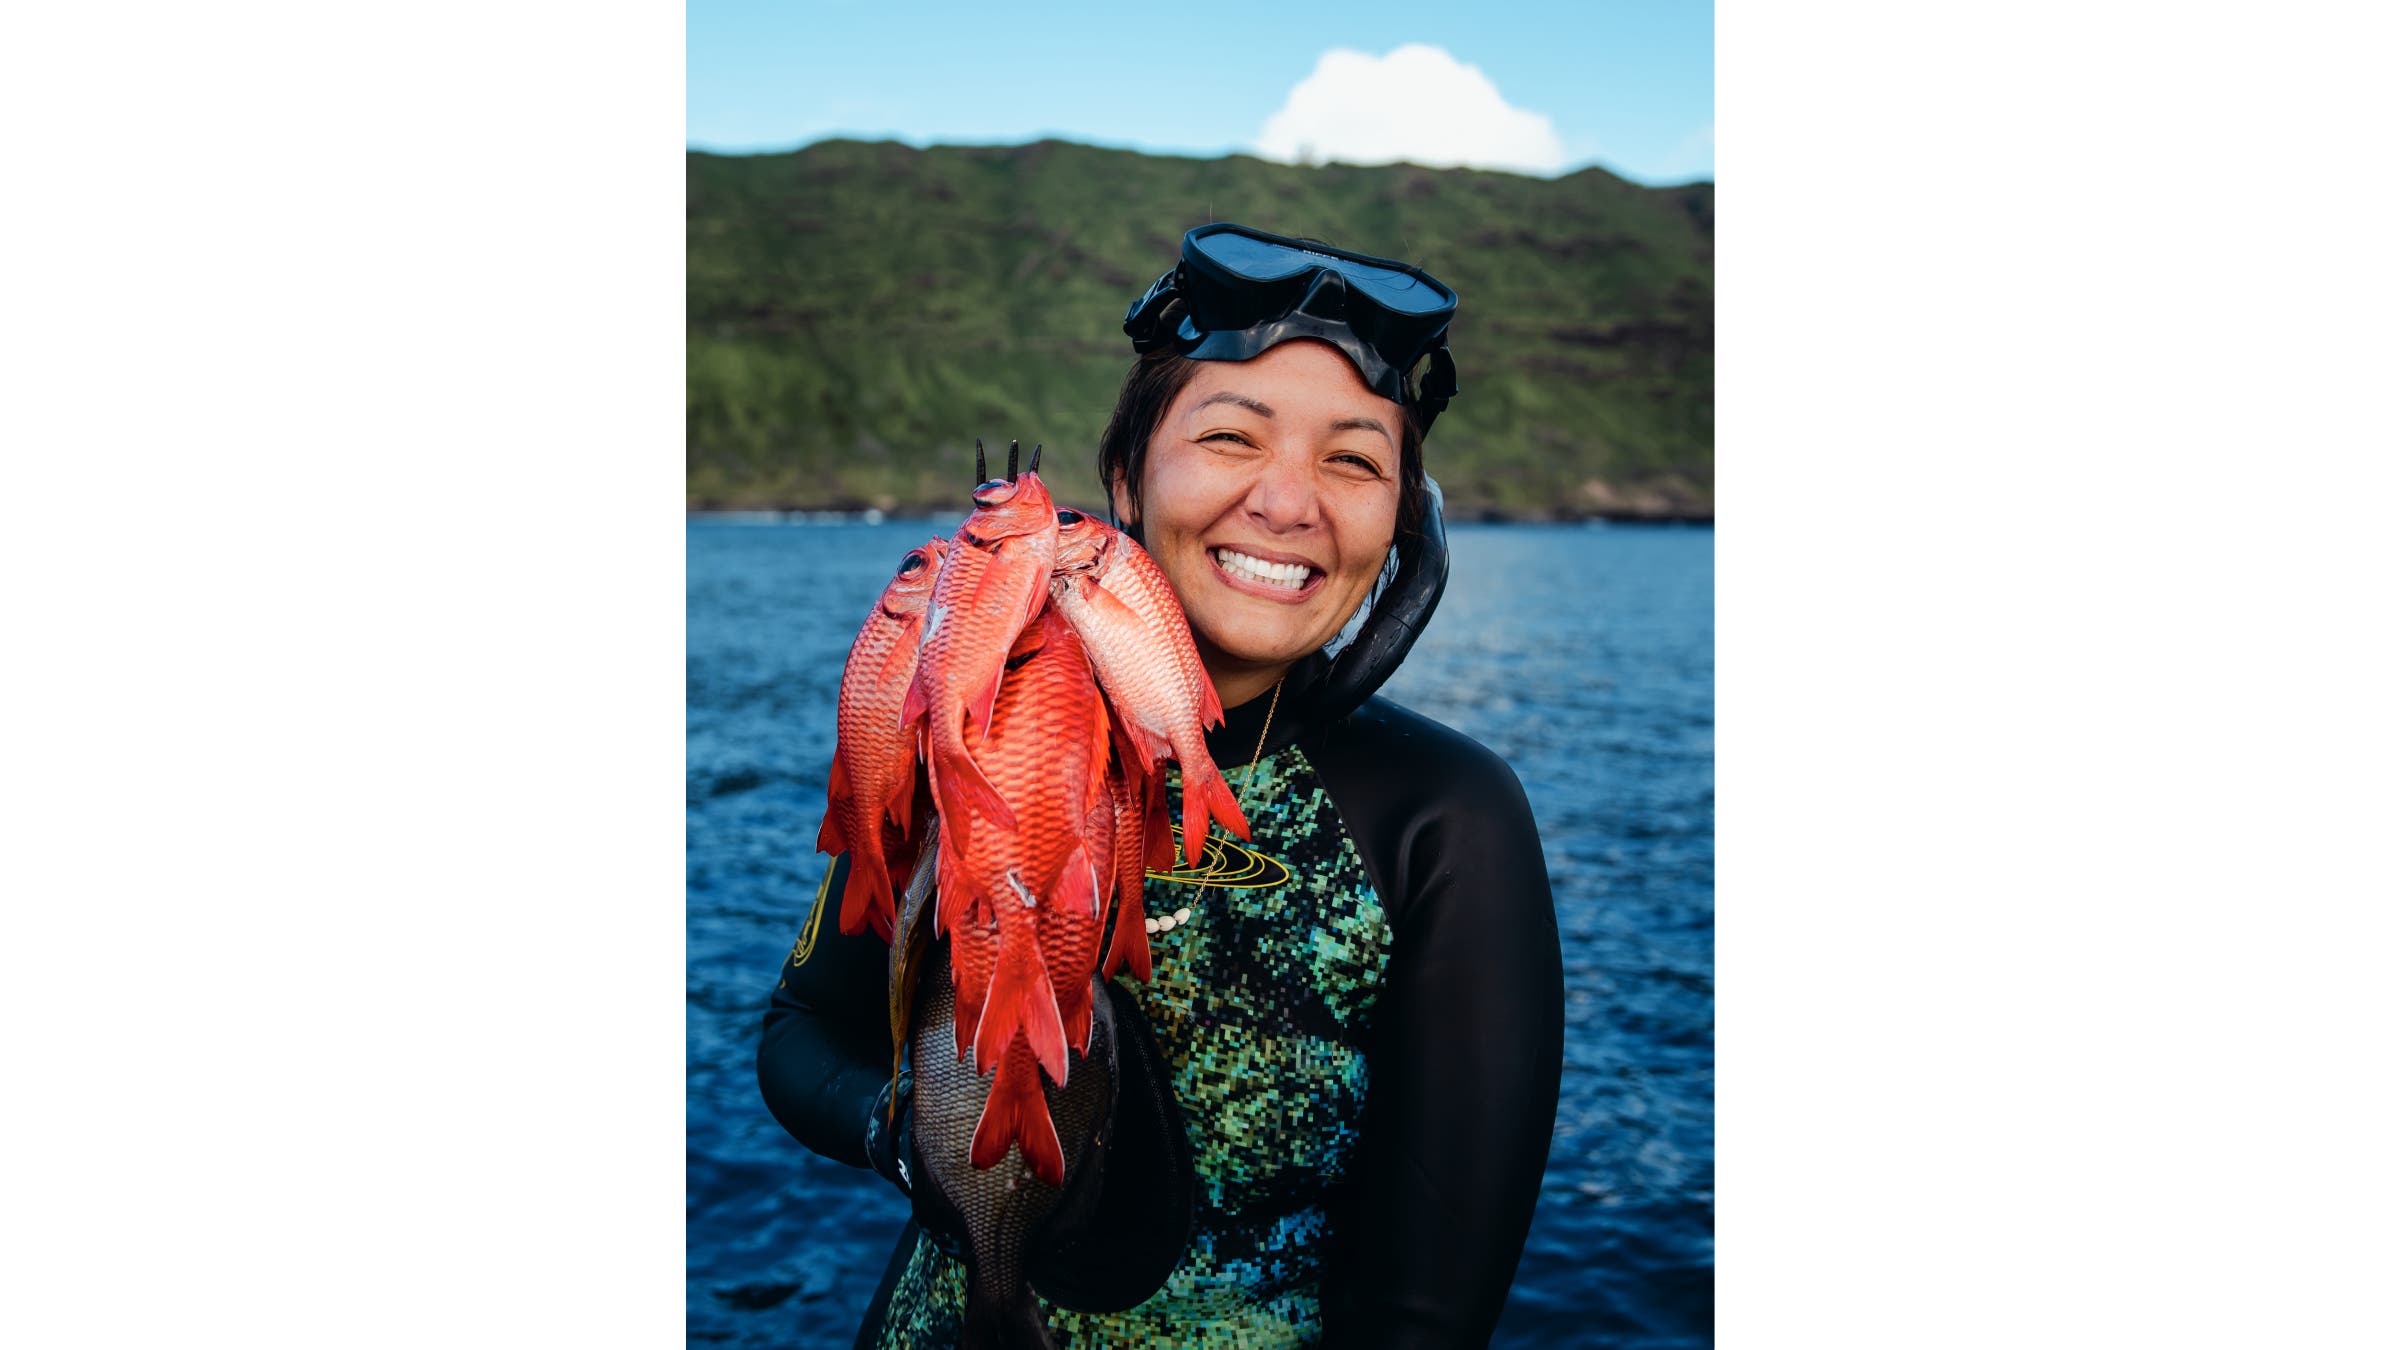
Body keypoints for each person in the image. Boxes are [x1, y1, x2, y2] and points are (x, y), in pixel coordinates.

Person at [759, 223, 1564, 1348]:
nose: (1289, 503)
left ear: (1398, 527)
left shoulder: (1446, 816)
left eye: (1355, 460)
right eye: (1233, 437)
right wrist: (909, 1140)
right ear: (1126, 480)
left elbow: (1427, 1317)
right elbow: (801, 1032)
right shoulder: (966, 729)